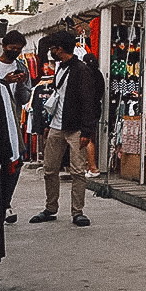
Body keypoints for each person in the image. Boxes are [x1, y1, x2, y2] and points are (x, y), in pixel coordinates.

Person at [30, 30, 100, 227]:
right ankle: (51, 207)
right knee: (49, 169)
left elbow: (89, 102)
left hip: (75, 128)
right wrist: (47, 122)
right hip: (56, 126)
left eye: (53, 49)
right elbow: (57, 97)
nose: (51, 52)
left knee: (78, 172)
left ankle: (77, 211)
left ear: (59, 49)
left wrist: (87, 131)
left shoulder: (81, 70)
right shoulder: (60, 68)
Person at [0, 30, 33, 224]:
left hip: (13, 122)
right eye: (12, 48)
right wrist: (4, 81)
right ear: (3, 45)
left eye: (18, 49)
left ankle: (5, 203)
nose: (15, 52)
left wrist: (20, 84)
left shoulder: (21, 67)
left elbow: (25, 98)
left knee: (15, 163)